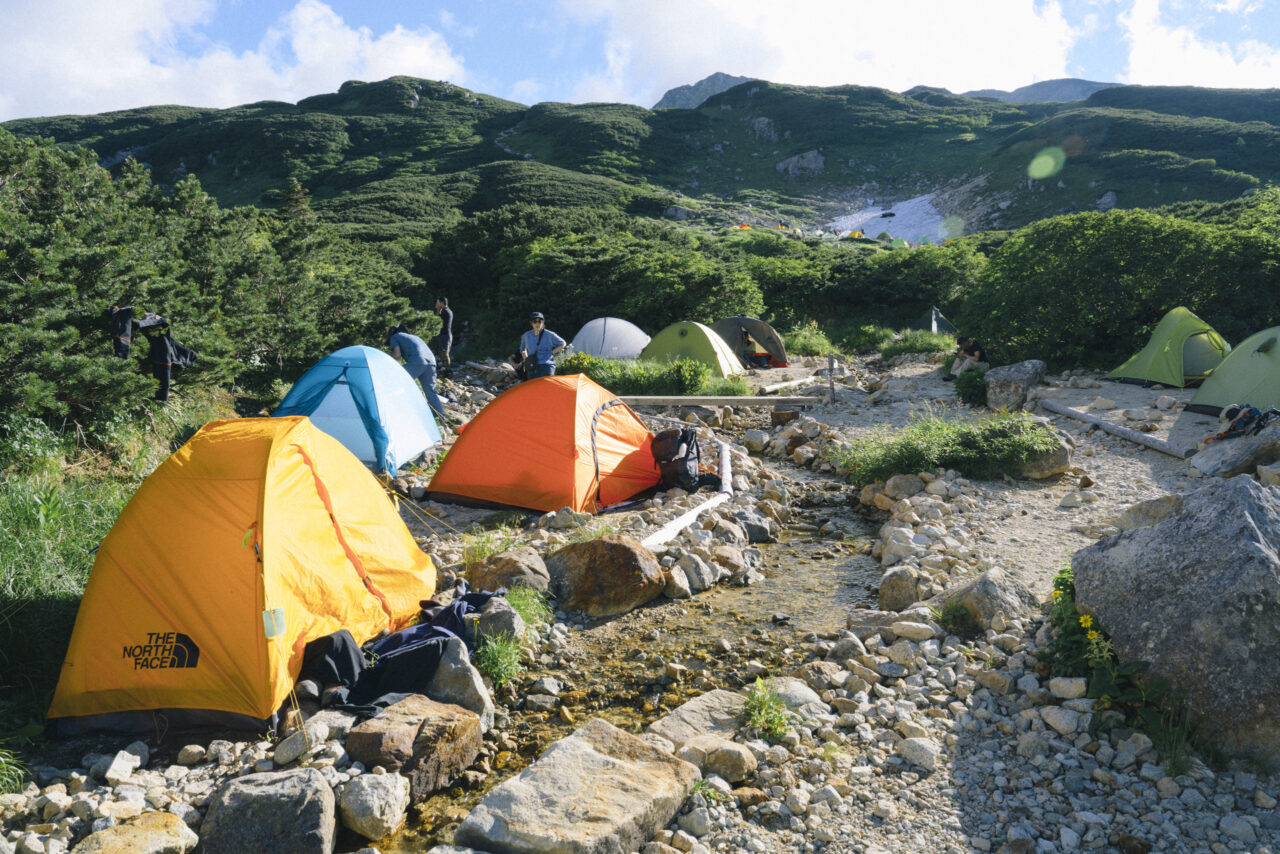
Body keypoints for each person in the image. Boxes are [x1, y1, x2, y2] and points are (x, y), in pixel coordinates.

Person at [388, 323, 451, 426]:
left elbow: (397, 354)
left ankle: (398, 415)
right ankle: (440, 423)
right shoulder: (415, 337)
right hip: (431, 362)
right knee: (431, 393)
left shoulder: (395, 337)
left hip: (417, 361)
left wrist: (388, 361)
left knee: (395, 382)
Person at [518, 311, 566, 380]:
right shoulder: (526, 336)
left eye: (539, 321)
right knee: (534, 389)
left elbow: (563, 343)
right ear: (531, 323)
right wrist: (525, 357)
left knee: (547, 389)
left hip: (546, 366)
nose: (537, 323)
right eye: (535, 321)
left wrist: (552, 353)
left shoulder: (549, 334)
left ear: (543, 323)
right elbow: (522, 349)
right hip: (532, 366)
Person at [433, 297, 454, 376]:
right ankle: (445, 370)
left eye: (438, 303)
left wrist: (438, 309)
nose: (436, 305)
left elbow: (436, 320)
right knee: (441, 352)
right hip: (444, 335)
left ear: (442, 303)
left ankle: (448, 371)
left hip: (445, 335)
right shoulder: (446, 311)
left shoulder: (445, 311)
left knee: (444, 353)